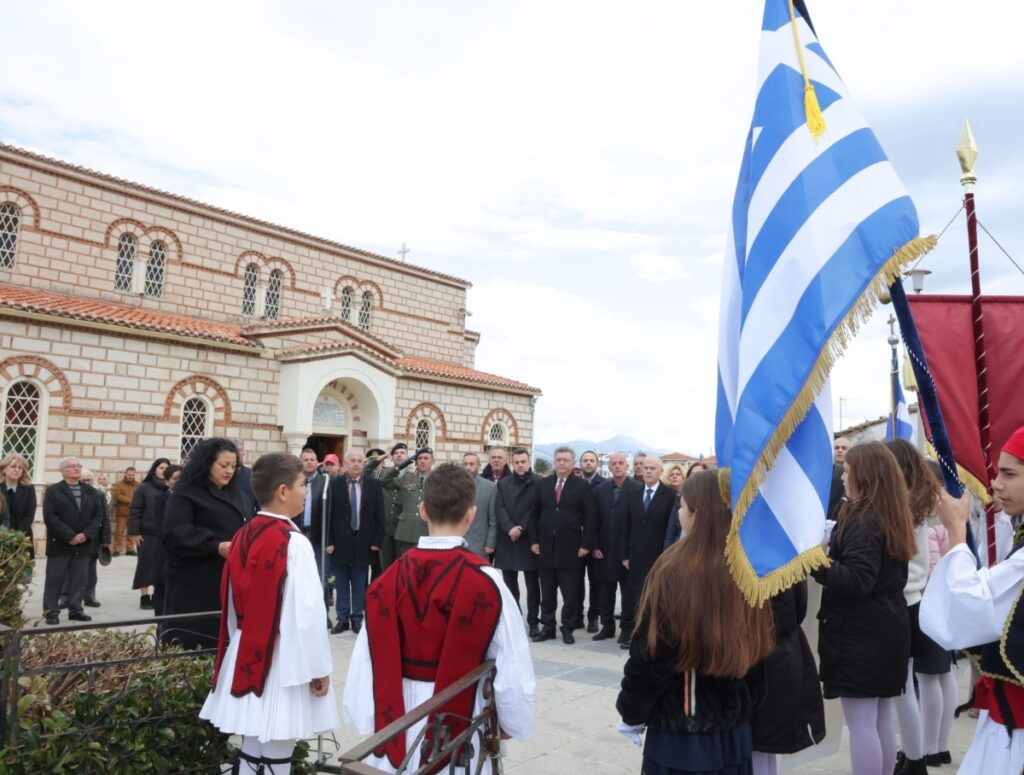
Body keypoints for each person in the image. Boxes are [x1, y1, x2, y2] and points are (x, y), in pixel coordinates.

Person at [343, 463, 535, 774]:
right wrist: (512, 720)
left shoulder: (385, 580)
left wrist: (367, 712)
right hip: (459, 713)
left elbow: (367, 654)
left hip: (397, 717)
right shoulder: (487, 582)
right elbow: (512, 661)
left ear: (422, 510)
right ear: (471, 515)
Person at [616, 469, 775, 774]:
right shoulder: (749, 565)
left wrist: (631, 711)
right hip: (732, 727)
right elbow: (759, 655)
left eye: (683, 506)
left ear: (697, 513)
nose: (679, 512)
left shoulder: (674, 568)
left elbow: (652, 654)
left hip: (683, 731)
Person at [200, 452, 338, 775]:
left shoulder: (242, 534)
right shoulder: (293, 542)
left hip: (246, 649)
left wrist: (239, 642)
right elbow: (308, 615)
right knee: (277, 752)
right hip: (281, 661)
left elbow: (231, 599)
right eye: (303, 484)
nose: (307, 491)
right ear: (282, 491)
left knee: (252, 750)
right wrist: (318, 668)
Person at [920, 426, 1024, 773]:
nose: (995, 484)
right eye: (997, 473)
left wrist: (955, 530)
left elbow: (969, 610)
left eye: (1009, 474)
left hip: (1014, 733)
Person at [811, 441, 915, 775]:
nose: (842, 476)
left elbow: (857, 580)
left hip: (861, 633)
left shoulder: (863, 518)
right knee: (879, 717)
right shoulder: (889, 512)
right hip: (886, 628)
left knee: (862, 724)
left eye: (848, 470)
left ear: (864, 475)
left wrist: (815, 563)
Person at [885, 439, 941, 775]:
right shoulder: (917, 500)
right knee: (903, 687)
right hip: (912, 599)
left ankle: (915, 759)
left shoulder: (902, 504)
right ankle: (912, 753)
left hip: (902, 601)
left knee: (902, 690)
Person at [163, 438, 250, 649]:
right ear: (207, 464)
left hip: (228, 575)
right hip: (195, 579)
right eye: (223, 465)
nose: (229, 471)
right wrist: (215, 546)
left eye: (233, 466)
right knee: (196, 638)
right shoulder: (187, 491)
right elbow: (176, 532)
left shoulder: (236, 491)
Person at [750, 581, 826, 775]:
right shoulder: (789, 556)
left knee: (758, 747)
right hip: (786, 653)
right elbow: (800, 606)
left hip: (760, 658)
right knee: (767, 749)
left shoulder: (749, 561)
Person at [528, 446, 597, 644]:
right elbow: (533, 515)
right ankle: (548, 627)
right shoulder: (543, 484)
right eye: (558, 459)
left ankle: (567, 627)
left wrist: (586, 545)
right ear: (554, 462)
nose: (561, 463)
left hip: (572, 549)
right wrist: (533, 541)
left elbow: (591, 518)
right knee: (547, 594)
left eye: (566, 460)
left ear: (573, 463)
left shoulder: (582, 486)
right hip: (545, 549)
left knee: (570, 594)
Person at [326, 448, 384, 635]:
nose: (357, 463)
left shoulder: (374, 485)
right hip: (340, 541)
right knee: (341, 583)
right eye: (353, 460)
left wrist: (377, 540)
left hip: (363, 542)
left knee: (359, 583)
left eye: (360, 460)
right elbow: (328, 516)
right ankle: (342, 619)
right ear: (345, 463)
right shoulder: (334, 485)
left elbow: (379, 515)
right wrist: (329, 541)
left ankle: (357, 619)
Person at [620, 457, 676, 649]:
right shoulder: (632, 492)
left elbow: (670, 528)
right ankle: (629, 631)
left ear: (660, 471)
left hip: (657, 555)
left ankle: (651, 633)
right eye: (646, 468)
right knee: (632, 594)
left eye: (652, 468)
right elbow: (625, 525)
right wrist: (625, 555)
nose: (648, 471)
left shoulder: (669, 495)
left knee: (653, 595)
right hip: (634, 554)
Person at [42, 457, 106, 624]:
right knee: (55, 579)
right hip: (61, 543)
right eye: (72, 466)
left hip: (84, 544)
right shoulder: (53, 491)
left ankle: (76, 610)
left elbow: (98, 515)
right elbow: (50, 517)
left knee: (79, 580)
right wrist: (70, 536)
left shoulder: (90, 491)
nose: (76, 469)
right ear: (62, 471)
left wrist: (85, 535)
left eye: (78, 466)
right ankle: (51, 612)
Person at [591, 452, 641, 641]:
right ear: (609, 467)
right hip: (603, 549)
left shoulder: (637, 488)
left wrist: (630, 552)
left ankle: (627, 629)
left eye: (621, 463)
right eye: (614, 463)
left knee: (628, 593)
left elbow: (638, 523)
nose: (617, 466)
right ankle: (607, 627)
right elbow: (593, 520)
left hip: (626, 550)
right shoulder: (600, 489)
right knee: (605, 592)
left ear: (626, 466)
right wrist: (594, 545)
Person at [494, 447, 541, 637]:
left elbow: (536, 510)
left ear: (529, 462)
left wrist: (520, 528)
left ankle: (533, 622)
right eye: (517, 462)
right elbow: (499, 507)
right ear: (512, 464)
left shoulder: (539, 482)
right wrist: (509, 528)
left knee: (532, 585)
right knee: (510, 585)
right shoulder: (504, 483)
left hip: (529, 539)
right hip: (508, 539)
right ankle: (515, 621)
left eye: (523, 462)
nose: (520, 465)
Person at [128, 458, 170, 610]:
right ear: (155, 469)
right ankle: (144, 596)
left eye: (166, 468)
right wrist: (134, 532)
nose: (163, 470)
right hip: (147, 534)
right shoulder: (144, 487)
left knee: (161, 566)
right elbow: (135, 510)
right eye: (161, 467)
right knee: (145, 565)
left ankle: (157, 594)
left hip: (164, 535)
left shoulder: (170, 488)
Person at [381, 447, 434, 558]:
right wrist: (399, 467)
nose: (422, 461)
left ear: (433, 461)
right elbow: (384, 483)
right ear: (415, 462)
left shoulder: (438, 479)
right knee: (406, 566)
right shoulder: (407, 477)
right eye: (419, 458)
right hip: (407, 531)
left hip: (428, 530)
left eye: (426, 458)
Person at [364, 442, 408, 571]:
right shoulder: (384, 472)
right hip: (387, 528)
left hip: (404, 528)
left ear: (407, 456)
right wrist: (382, 457)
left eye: (402, 453)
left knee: (403, 567)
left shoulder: (413, 474)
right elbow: (365, 472)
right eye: (395, 453)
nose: (399, 455)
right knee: (386, 568)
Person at [76, 468, 110, 608]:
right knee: (69, 569)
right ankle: (65, 597)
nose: (86, 482)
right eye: (83, 480)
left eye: (88, 480)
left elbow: (105, 518)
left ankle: (90, 596)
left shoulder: (99, 494)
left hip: (93, 539)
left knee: (90, 570)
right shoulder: (73, 493)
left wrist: (106, 539)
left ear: (92, 480)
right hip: (74, 537)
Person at [150, 464, 182, 616]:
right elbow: (162, 527)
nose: (180, 481)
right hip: (165, 553)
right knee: (162, 596)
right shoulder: (161, 499)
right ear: (167, 482)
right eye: (176, 478)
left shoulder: (188, 499)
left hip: (182, 557)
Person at [461, 452, 498, 559]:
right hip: (457, 543)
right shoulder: (452, 485)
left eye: (471, 464)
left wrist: (490, 544)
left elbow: (493, 519)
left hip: (479, 546)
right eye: (465, 464)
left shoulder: (490, 487)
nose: (468, 467)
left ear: (478, 465)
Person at [664, 462, 708, 548]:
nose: (696, 477)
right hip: (681, 549)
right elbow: (671, 531)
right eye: (693, 474)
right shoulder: (681, 498)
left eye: (700, 474)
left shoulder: (712, 499)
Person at [2, 452, 36, 558]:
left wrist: (17, 536)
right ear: (4, 469)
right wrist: (5, 536)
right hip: (1, 539)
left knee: (22, 573)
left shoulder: (29, 488)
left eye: (20, 468)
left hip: (22, 539)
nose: (17, 470)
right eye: (13, 466)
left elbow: (29, 515)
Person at [111, 466, 139, 556]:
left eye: (132, 475)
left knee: (131, 531)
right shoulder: (119, 484)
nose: (131, 476)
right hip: (122, 512)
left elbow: (140, 495)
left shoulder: (138, 485)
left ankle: (130, 549)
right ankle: (117, 549)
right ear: (125, 474)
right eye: (129, 474)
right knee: (119, 531)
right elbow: (117, 496)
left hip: (133, 512)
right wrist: (130, 500)